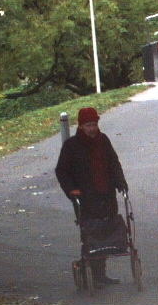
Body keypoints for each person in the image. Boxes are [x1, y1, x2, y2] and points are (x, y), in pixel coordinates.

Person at [54, 106, 129, 284]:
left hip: (106, 195)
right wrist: (71, 190)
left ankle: (100, 274)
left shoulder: (103, 141)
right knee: (90, 234)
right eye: (88, 125)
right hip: (85, 198)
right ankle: (87, 271)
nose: (92, 129)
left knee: (106, 233)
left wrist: (120, 182)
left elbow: (114, 163)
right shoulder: (71, 146)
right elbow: (62, 171)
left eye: (94, 124)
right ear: (81, 126)